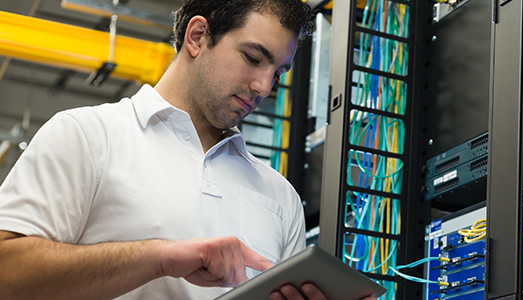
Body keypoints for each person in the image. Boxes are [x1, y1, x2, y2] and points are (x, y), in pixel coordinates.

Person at [0, 1, 373, 299]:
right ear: (197, 36)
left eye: (278, 73)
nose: (263, 86)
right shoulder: (89, 135)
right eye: (253, 58)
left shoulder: (280, 196)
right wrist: (160, 257)